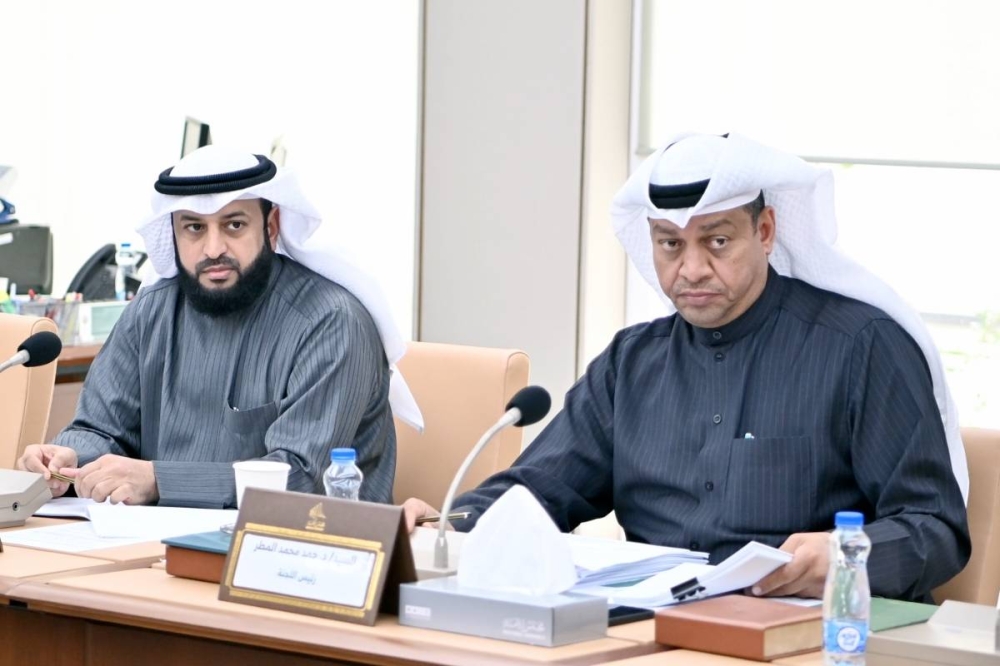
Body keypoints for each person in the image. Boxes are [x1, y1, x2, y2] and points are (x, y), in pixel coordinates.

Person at [403, 133, 970, 602]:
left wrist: (843, 556)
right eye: (670, 245)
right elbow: (539, 490)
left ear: (765, 232)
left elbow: (935, 528)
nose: (692, 268)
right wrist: (449, 522)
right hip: (648, 633)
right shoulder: (632, 362)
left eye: (717, 241)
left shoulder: (860, 347)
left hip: (803, 634)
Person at [18, 146, 422, 508]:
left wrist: (158, 480)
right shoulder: (151, 312)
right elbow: (102, 429)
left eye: (234, 225)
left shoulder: (330, 323)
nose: (213, 249)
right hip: (155, 545)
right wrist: (68, 458)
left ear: (271, 226)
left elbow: (301, 478)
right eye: (194, 227)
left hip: (306, 549)